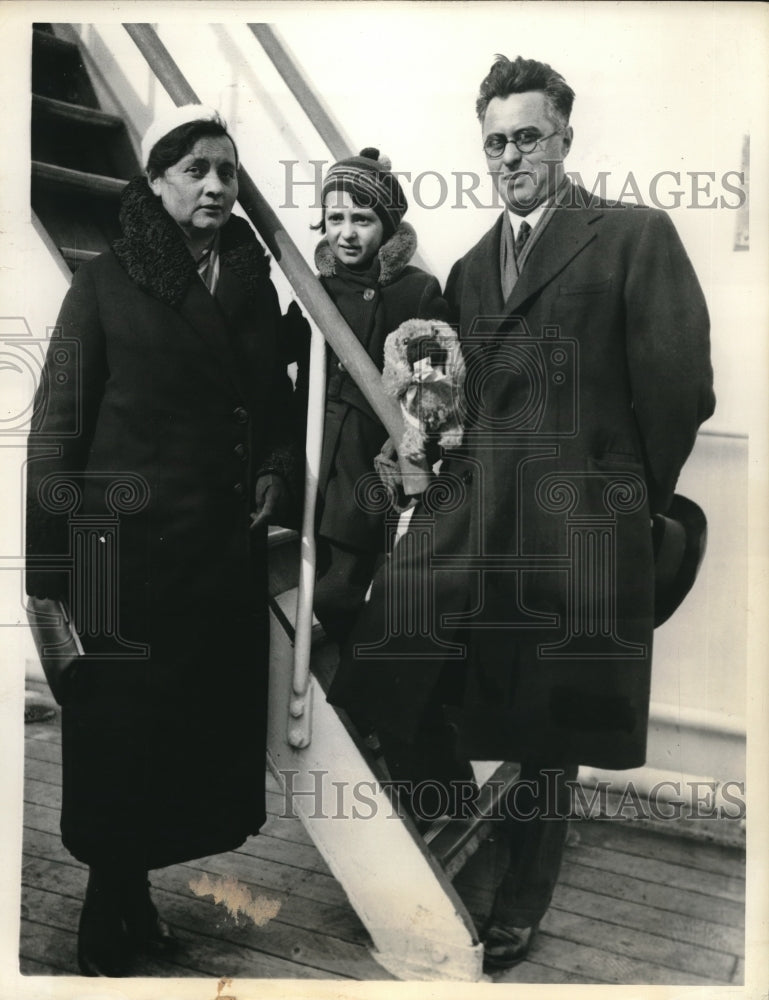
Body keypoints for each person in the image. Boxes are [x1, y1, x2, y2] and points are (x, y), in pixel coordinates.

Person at [328, 55, 715, 969]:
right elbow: (452, 409)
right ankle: (455, 830)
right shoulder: (466, 269)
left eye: (527, 138)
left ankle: (522, 897)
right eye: (494, 141)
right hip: (481, 528)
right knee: (388, 663)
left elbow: (679, 390)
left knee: (552, 725)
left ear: (565, 139)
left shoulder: (632, 236)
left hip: (576, 534)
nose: (509, 157)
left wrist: (620, 502)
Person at [25, 105, 302, 977]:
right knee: (117, 736)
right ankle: (105, 914)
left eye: (227, 171)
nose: (216, 185)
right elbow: (56, 426)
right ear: (156, 182)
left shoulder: (250, 284)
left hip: (211, 549)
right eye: (196, 171)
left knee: (182, 738)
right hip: (117, 554)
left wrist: (275, 466)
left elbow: (272, 402)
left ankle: (134, 900)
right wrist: (48, 574)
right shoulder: (104, 282)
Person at [312, 147, 449, 644]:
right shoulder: (315, 288)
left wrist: (409, 445)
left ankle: (368, 677)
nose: (347, 232)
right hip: (317, 451)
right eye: (336, 218)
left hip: (368, 459)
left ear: (388, 227)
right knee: (318, 574)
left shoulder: (415, 290)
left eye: (363, 219)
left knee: (337, 593)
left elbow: (434, 384)